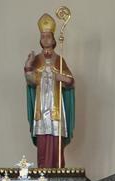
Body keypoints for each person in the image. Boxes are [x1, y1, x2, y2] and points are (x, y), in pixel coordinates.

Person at [24, 13, 74, 168]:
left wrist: (61, 77)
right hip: (41, 107)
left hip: (55, 107)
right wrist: (28, 66)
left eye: (48, 36)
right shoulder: (36, 60)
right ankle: (42, 171)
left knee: (56, 140)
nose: (45, 39)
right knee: (42, 141)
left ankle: (57, 170)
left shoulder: (59, 60)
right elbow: (31, 81)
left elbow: (70, 81)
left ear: (53, 40)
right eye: (43, 36)